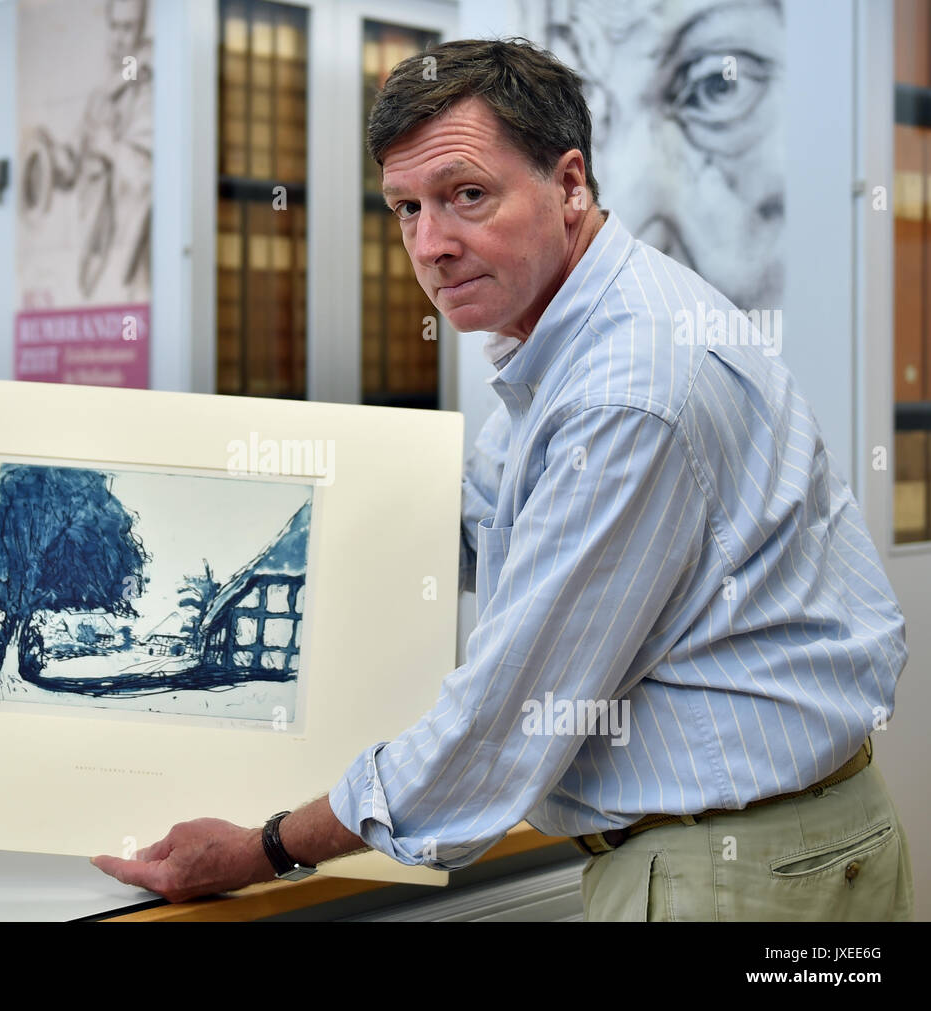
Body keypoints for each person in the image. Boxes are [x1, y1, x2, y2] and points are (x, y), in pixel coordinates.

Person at [92, 37, 914, 920]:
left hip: (730, 875)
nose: (430, 245)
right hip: (788, 851)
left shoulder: (626, 391)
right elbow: (478, 522)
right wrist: (249, 501)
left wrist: (266, 846)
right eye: (406, 207)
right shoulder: (581, 332)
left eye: (465, 196)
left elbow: (500, 728)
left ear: (569, 184)